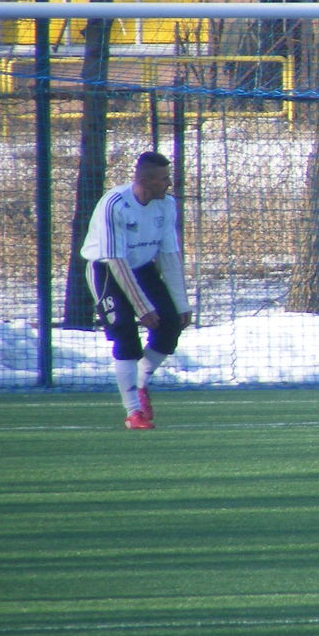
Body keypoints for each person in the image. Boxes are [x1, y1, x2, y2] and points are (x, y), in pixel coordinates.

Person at [80, 151, 193, 429]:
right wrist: (142, 308)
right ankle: (134, 411)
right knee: (126, 335)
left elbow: (169, 255)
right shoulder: (115, 204)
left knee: (169, 324)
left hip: (141, 269)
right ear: (146, 180)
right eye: (164, 179)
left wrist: (182, 304)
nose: (169, 184)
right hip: (107, 269)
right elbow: (116, 260)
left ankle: (141, 381)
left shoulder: (166, 205)